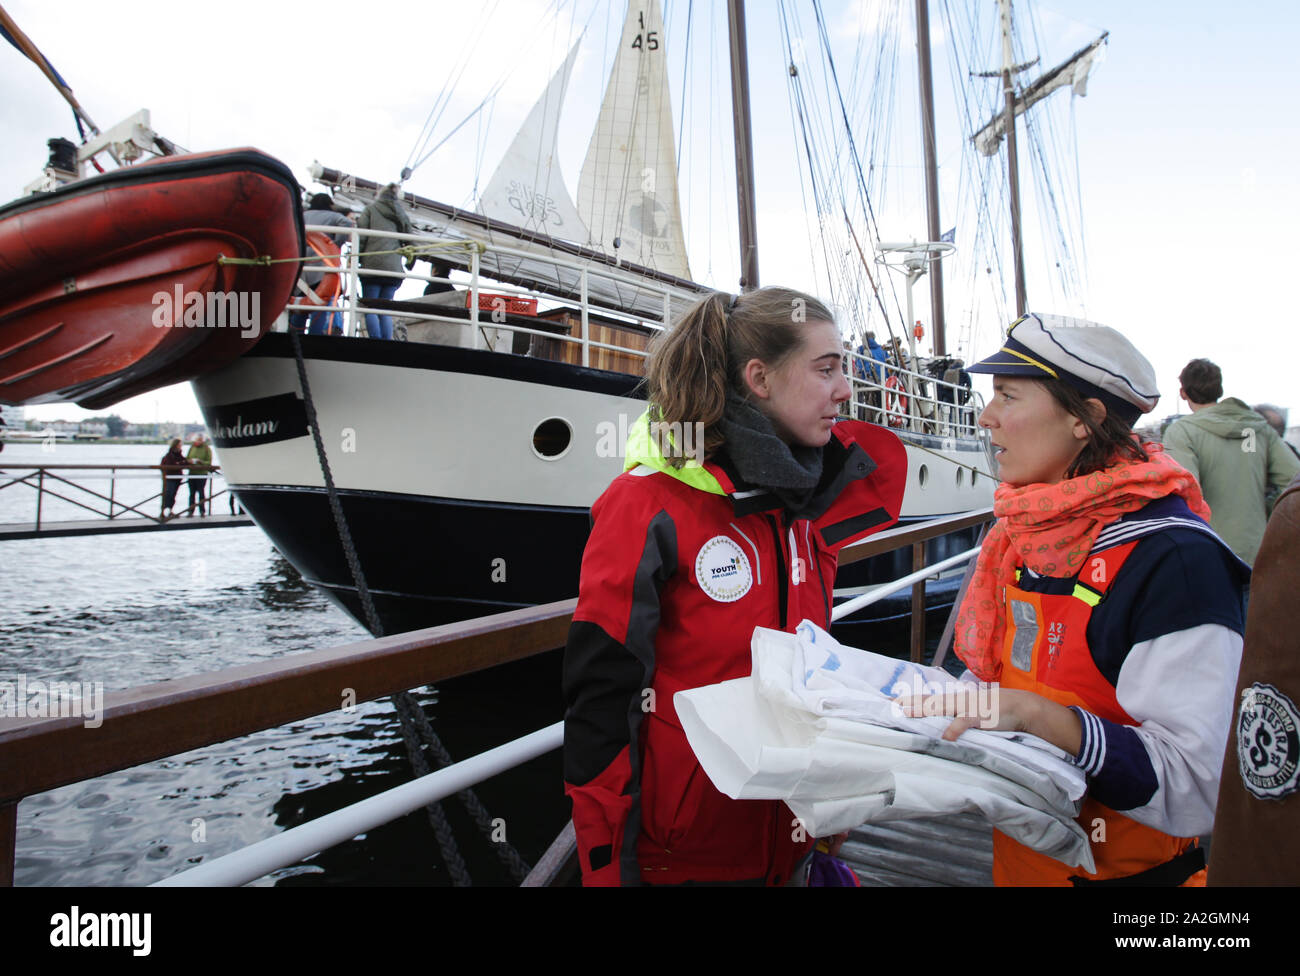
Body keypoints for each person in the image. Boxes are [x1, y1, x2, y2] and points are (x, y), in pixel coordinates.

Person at [562, 287, 907, 886]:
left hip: (793, 838)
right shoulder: (647, 505)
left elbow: (811, 668)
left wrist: (828, 800)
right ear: (760, 379)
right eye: (825, 369)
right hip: (690, 853)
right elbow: (603, 700)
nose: (845, 390)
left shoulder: (800, 504)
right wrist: (605, 867)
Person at [912, 313, 1248, 886]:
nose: (985, 416)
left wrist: (1045, 719)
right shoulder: (1024, 534)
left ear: (1084, 420)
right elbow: (999, 681)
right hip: (1019, 866)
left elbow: (1200, 785)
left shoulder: (1174, 563)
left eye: (1007, 395)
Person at [1208, 472, 1300, 884]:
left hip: (1221, 561)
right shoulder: (1260, 435)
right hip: (1250, 555)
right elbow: (1283, 468)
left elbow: (1267, 792)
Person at [1163, 360, 1299, 565]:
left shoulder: (1181, 432)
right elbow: (1293, 479)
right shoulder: (1257, 428)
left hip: (1207, 552)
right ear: (1220, 389)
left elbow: (1185, 494)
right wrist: (1267, 509)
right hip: (1257, 551)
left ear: (1183, 393)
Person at [290, 193, 353, 335]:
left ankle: (294, 333)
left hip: (302, 268)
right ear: (329, 204)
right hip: (322, 266)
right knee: (323, 301)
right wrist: (336, 243)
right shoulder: (332, 216)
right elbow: (347, 223)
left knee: (302, 301)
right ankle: (320, 332)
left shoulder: (302, 216)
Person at [356, 183, 413, 340]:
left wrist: (356, 259)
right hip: (394, 269)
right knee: (385, 308)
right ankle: (387, 341)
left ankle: (376, 341)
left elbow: (361, 237)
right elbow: (411, 241)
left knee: (371, 307)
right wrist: (410, 262)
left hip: (372, 266)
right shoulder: (401, 214)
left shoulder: (371, 210)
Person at [185, 433, 217, 517]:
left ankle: (202, 511)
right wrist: (190, 461)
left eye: (200, 440)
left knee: (201, 492)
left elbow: (208, 462)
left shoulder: (207, 449)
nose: (198, 442)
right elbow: (187, 458)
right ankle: (190, 511)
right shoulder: (192, 447)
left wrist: (200, 462)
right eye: (197, 440)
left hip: (202, 474)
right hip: (192, 473)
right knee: (192, 493)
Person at [159, 437, 186, 520]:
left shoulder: (179, 454)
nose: (181, 446)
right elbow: (172, 464)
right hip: (170, 478)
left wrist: (181, 463)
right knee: (168, 494)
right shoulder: (170, 454)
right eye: (180, 444)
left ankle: (170, 511)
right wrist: (180, 463)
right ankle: (163, 512)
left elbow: (183, 461)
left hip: (177, 478)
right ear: (176, 445)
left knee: (173, 495)